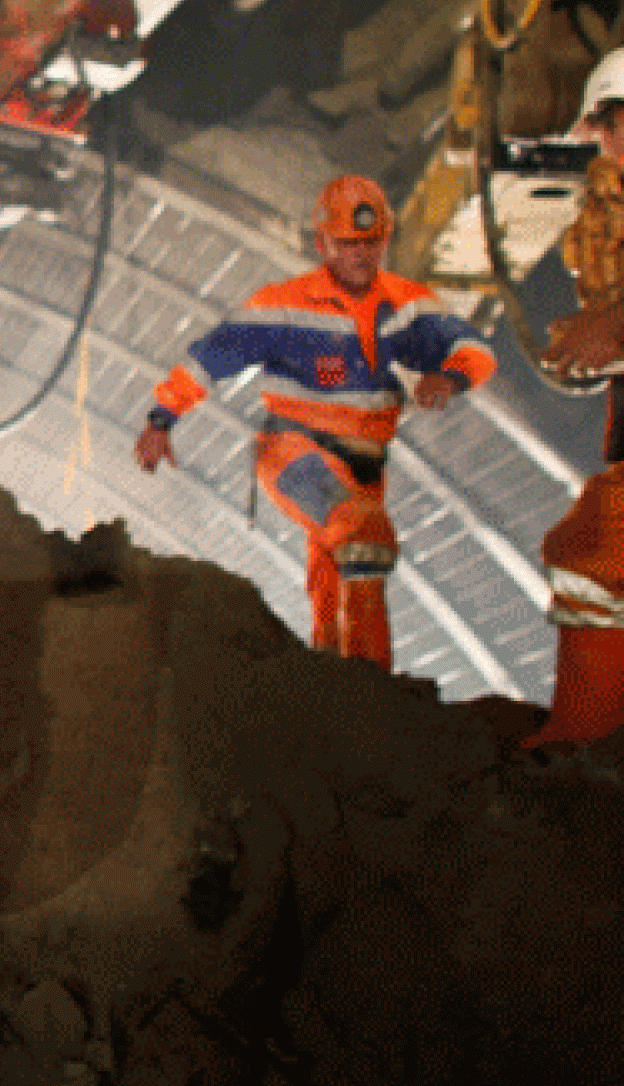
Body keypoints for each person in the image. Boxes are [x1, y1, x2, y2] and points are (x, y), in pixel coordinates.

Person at [134, 174, 496, 669]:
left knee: (333, 587)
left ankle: (330, 695)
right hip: (295, 455)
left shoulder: (404, 305)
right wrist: (161, 419)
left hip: (365, 468)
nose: (361, 256)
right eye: (348, 245)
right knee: (363, 531)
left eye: (371, 244)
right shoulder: (284, 305)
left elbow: (475, 349)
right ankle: (372, 694)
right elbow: (209, 360)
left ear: (386, 240)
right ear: (322, 242)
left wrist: (452, 378)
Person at [529, 48, 624, 745]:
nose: (600, 139)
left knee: (603, 554)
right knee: (592, 544)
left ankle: (587, 743)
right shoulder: (606, 201)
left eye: (609, 121)